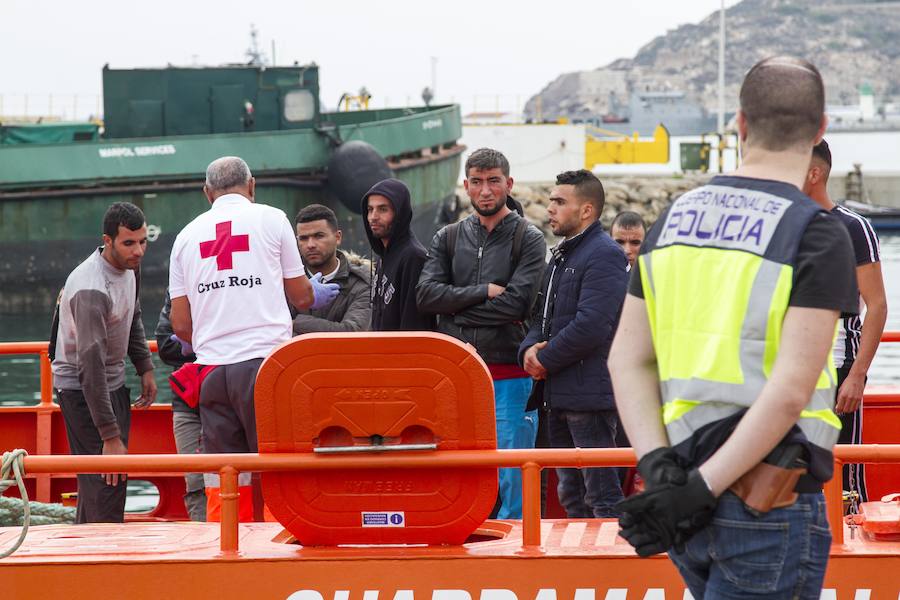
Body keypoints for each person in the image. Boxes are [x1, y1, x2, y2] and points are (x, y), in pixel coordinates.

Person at [609, 56, 858, 599]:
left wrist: (660, 469)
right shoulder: (815, 233)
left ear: (740, 124)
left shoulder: (672, 220)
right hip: (765, 504)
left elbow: (626, 359)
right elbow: (792, 389)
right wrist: (702, 488)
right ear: (820, 131)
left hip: (680, 497)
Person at [168, 156, 339, 520]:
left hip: (211, 374)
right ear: (252, 185)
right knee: (278, 467)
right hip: (266, 369)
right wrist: (314, 294)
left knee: (226, 475)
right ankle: (279, 548)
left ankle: (229, 545)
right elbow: (302, 297)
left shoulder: (185, 237)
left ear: (207, 193)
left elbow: (180, 324)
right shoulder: (273, 219)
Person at [416, 148, 547, 519]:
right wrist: (483, 291)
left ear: (509, 183)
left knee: (514, 477)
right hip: (460, 377)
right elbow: (426, 296)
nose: (485, 190)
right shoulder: (449, 237)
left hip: (510, 376)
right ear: (466, 185)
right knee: (462, 472)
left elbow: (518, 305)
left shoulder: (529, 238)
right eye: (477, 182)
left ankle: (518, 557)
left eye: (493, 181)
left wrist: (454, 310)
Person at [519, 169, 627, 518]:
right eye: (550, 200)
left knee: (601, 496)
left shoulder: (605, 254)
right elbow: (542, 317)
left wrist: (544, 359)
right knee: (571, 498)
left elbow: (593, 324)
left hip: (589, 399)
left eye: (559, 202)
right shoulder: (564, 255)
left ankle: (611, 572)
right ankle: (580, 572)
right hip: (559, 394)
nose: (550, 208)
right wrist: (528, 350)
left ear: (586, 211)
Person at [51, 202, 157, 523]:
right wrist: (110, 436)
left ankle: (88, 554)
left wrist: (145, 367)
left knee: (108, 480)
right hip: (82, 390)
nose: (138, 251)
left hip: (113, 381)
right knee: (106, 480)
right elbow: (89, 367)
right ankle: (99, 562)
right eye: (129, 243)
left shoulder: (129, 266)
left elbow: (132, 314)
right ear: (107, 241)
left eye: (143, 241)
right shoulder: (91, 288)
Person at [802, 139, 887, 504]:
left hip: (837, 366)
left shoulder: (853, 228)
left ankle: (852, 543)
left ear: (814, 173)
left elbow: (878, 305)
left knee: (844, 474)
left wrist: (857, 375)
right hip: (788, 370)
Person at [155, 290, 205, 521]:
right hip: (188, 401)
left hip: (232, 396)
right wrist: (203, 343)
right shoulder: (178, 291)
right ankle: (205, 539)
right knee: (195, 481)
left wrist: (194, 340)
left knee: (240, 475)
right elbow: (166, 345)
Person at [363, 178, 434, 331]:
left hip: (402, 353)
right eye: (370, 209)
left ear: (399, 213)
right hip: (382, 352)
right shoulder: (383, 255)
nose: (373, 217)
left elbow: (414, 326)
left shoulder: (414, 258)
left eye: (383, 209)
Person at [292, 203, 371, 333]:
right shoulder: (286, 282)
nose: (310, 245)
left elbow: (352, 333)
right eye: (304, 238)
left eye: (319, 236)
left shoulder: (361, 284)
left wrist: (296, 323)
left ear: (338, 237)